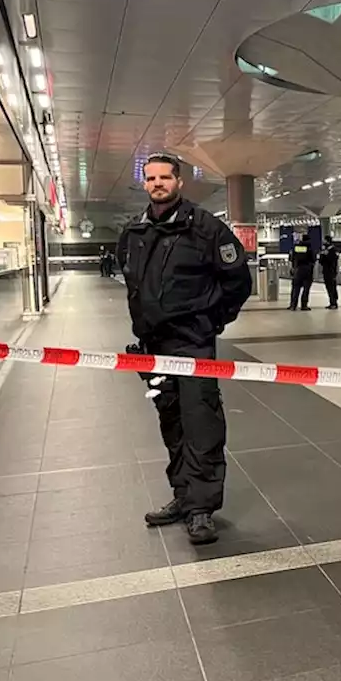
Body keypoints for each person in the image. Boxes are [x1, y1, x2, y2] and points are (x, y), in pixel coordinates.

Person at [117, 154, 252, 545]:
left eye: (165, 177)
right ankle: (182, 495)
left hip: (192, 346)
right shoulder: (135, 231)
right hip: (152, 348)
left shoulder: (207, 229)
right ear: (145, 184)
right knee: (172, 421)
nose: (157, 183)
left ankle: (201, 510)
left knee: (201, 423)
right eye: (151, 178)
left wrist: (211, 323)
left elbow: (237, 282)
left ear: (180, 182)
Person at [288, 231, 316, 311]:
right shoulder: (310, 248)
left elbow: (291, 258)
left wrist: (293, 267)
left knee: (296, 288)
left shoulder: (296, 247)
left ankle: (293, 305)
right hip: (308, 270)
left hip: (298, 269)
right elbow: (313, 259)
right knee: (306, 289)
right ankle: (304, 305)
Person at [319, 237, 341, 309]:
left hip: (330, 271)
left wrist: (323, 255)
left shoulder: (330, 250)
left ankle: (333, 302)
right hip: (330, 271)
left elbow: (324, 260)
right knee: (330, 287)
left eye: (324, 240)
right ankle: (332, 302)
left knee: (331, 287)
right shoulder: (333, 250)